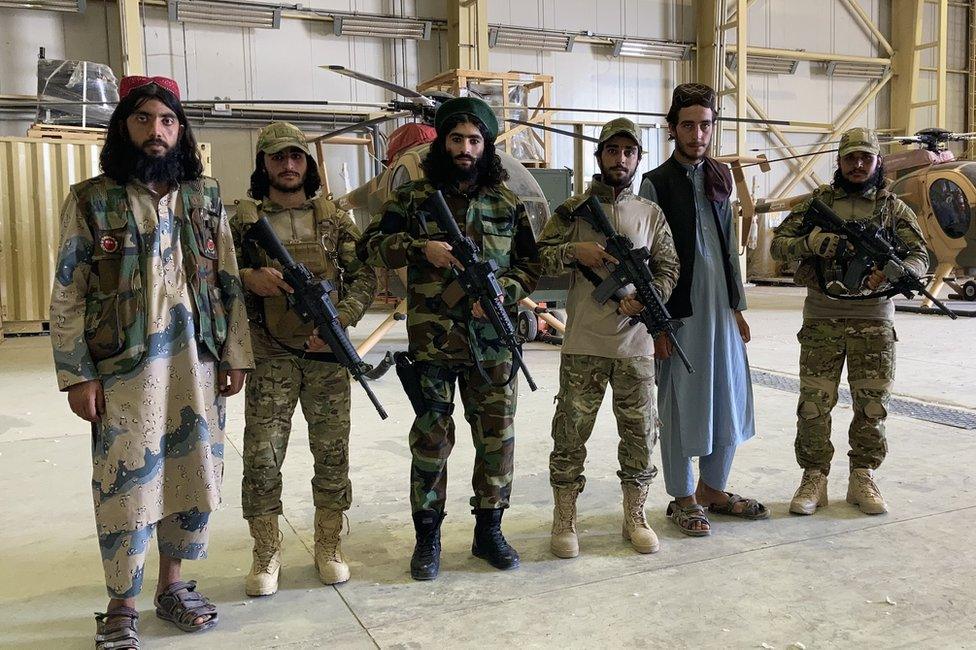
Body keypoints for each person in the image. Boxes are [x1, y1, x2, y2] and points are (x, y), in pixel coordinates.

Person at [49, 75, 253, 648]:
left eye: (167, 121)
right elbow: (69, 290)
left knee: (194, 475)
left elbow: (228, 280)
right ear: (124, 128)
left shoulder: (205, 195)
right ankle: (121, 603)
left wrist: (235, 353)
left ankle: (173, 586)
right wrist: (77, 372)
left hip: (198, 362)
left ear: (181, 130)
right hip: (124, 369)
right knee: (127, 483)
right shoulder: (91, 199)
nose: (156, 132)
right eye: (143, 120)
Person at [358, 97, 541, 580]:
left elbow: (531, 265)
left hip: (494, 346)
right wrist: (423, 249)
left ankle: (489, 531)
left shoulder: (507, 203)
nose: (465, 149)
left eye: (474, 140)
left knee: (497, 442)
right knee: (431, 443)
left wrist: (504, 291)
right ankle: (428, 537)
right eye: (456, 139)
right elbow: (370, 246)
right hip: (434, 346)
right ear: (443, 142)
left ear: (487, 145)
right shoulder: (413, 200)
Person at [231, 122, 377, 595]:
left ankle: (329, 543)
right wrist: (248, 277)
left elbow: (364, 277)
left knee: (332, 454)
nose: (288, 165)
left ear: (307, 164)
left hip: (325, 359)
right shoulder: (244, 222)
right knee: (261, 457)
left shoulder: (333, 218)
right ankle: (266, 551)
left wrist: (341, 321)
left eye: (296, 156)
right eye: (278, 157)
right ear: (265, 164)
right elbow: (211, 276)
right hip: (270, 356)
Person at [537, 118, 680, 558]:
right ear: (599, 155)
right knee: (570, 435)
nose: (621, 159)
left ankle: (634, 516)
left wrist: (650, 297)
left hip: (634, 348)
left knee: (639, 435)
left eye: (629, 152)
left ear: (638, 159)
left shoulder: (650, 214)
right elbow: (539, 257)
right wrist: (574, 251)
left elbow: (669, 267)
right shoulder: (573, 211)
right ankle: (565, 518)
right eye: (612, 150)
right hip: (583, 343)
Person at [770, 127, 929, 516]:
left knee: (872, 406)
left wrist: (894, 273)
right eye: (849, 158)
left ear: (877, 163)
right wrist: (811, 243)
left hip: (874, 321)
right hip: (823, 318)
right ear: (839, 162)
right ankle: (814, 478)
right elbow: (777, 244)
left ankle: (862, 476)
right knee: (813, 405)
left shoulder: (894, 209)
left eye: (865, 158)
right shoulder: (816, 205)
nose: (857, 165)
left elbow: (920, 256)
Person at [639, 83, 768, 537]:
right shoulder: (655, 182)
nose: (698, 134)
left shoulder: (720, 176)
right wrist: (656, 324)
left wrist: (738, 305)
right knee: (679, 404)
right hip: (679, 313)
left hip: (721, 310)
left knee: (727, 398)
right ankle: (682, 496)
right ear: (673, 129)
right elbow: (649, 258)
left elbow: (730, 247)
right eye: (688, 125)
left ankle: (713, 487)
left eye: (706, 125)